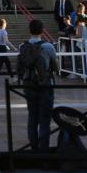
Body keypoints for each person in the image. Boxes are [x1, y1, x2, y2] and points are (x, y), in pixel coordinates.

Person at [16, 19, 57, 153]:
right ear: (42, 30)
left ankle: (34, 149)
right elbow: (55, 65)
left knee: (32, 117)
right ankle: (44, 151)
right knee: (45, 120)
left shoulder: (23, 46)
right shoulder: (48, 47)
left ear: (29, 30)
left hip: (29, 84)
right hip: (45, 84)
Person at [0, 18, 16, 85]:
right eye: (5, 24)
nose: (6, 25)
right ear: (3, 24)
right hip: (2, 48)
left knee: (5, 63)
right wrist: (13, 48)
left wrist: (5, 45)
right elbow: (6, 41)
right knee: (1, 64)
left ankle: (12, 77)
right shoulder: (3, 31)